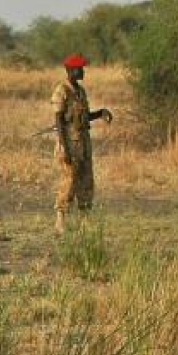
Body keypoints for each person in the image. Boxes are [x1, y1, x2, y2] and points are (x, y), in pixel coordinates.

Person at [52, 53, 112, 233]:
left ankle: (85, 220)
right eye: (80, 69)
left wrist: (100, 113)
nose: (83, 72)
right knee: (69, 181)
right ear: (70, 70)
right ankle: (60, 220)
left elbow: (84, 117)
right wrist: (64, 148)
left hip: (83, 144)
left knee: (86, 180)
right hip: (69, 144)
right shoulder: (62, 90)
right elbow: (59, 121)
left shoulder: (80, 91)